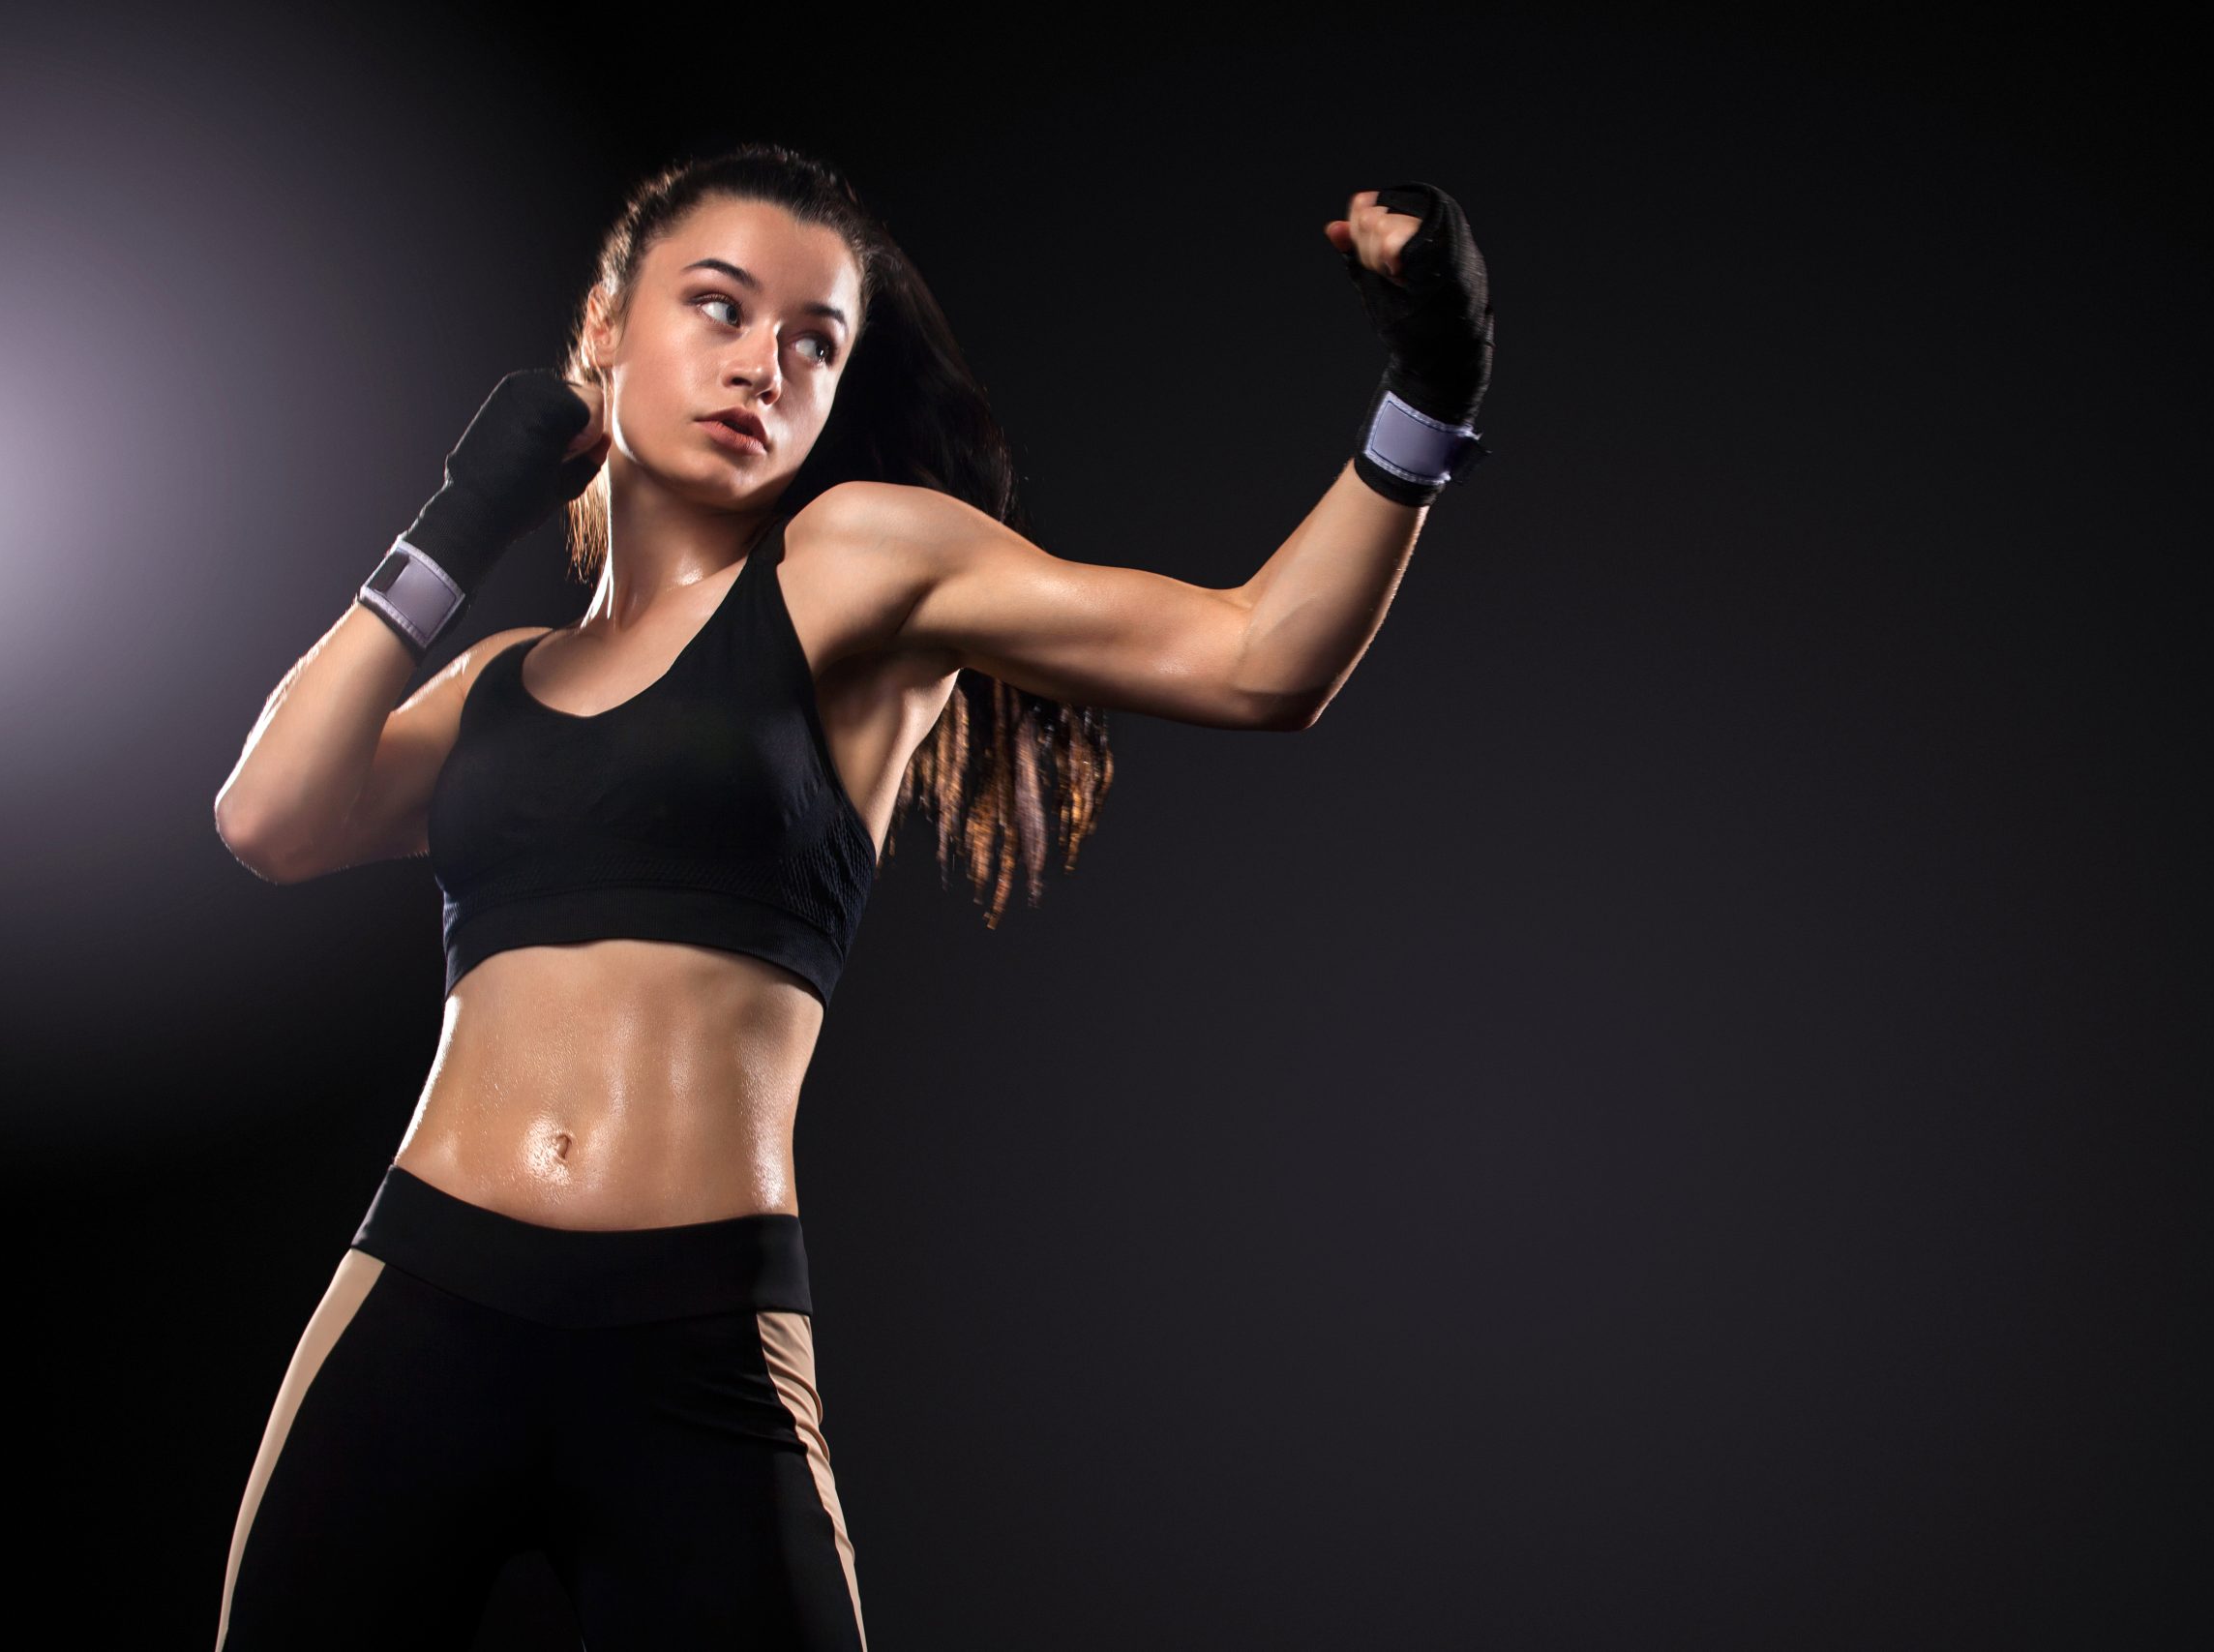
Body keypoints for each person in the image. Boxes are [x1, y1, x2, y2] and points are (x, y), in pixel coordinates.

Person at [207, 140, 1493, 1650]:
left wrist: (1433, 390)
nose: (765, 365)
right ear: (608, 329)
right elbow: (268, 819)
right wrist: (455, 525)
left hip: (692, 1336)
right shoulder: (500, 683)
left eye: (813, 344)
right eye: (721, 310)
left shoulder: (852, 566)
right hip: (419, 1296)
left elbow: (1260, 659)